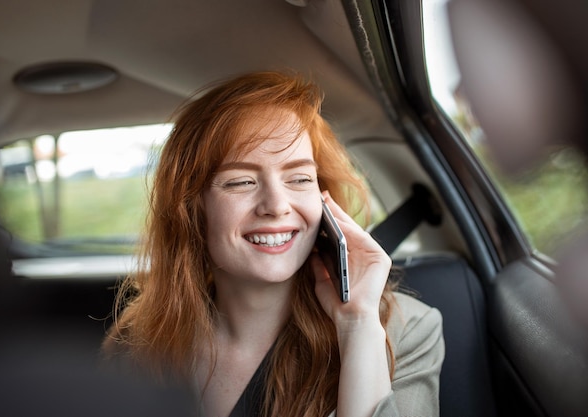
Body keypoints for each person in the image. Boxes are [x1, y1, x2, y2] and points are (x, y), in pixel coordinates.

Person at [102, 71, 444, 417]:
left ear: (324, 201)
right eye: (240, 182)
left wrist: (357, 326)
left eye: (299, 178)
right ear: (192, 208)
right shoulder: (140, 344)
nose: (277, 205)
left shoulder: (402, 332)